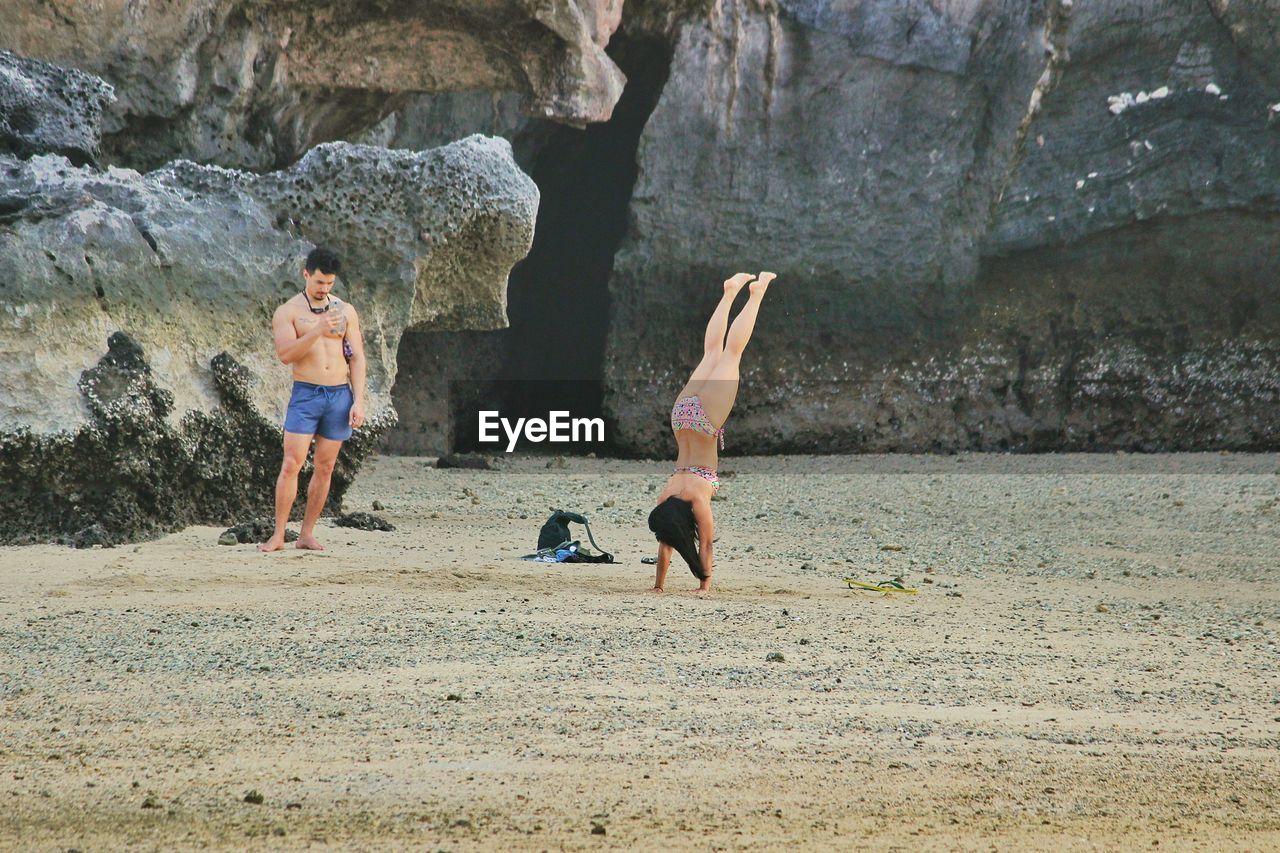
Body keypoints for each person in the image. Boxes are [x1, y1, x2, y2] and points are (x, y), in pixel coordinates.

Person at [647, 270, 775, 593]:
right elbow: (667, 539)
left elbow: (705, 546)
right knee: (712, 352)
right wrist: (658, 586)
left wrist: (705, 585)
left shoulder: (697, 499)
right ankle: (730, 292)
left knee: (732, 354)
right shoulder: (666, 497)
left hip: (705, 422)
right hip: (681, 419)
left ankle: (757, 292)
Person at [259, 247, 366, 552]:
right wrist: (318, 329)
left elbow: (357, 357)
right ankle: (279, 534)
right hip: (306, 394)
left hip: (338, 395)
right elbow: (285, 354)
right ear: (306, 274)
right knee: (292, 463)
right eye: (320, 282)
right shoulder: (288, 312)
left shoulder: (345, 310)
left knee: (326, 466)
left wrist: (359, 400)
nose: (325, 289)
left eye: (330, 284)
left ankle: (306, 533)